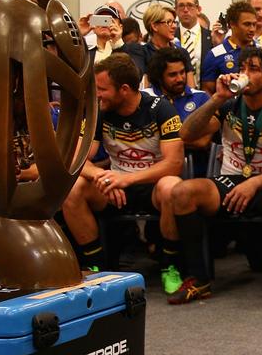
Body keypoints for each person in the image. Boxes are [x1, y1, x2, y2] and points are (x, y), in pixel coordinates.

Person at [167, 48, 262, 305]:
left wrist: (253, 184)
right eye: (243, 68)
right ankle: (199, 278)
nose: (245, 74)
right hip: (229, 181)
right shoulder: (229, 105)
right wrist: (216, 99)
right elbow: (186, 134)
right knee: (181, 192)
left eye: (253, 69)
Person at [63, 55, 184, 286]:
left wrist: (126, 179)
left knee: (171, 187)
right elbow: (75, 160)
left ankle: (170, 266)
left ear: (124, 89)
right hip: (113, 188)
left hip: (152, 185)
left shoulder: (161, 109)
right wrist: (102, 177)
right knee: (72, 189)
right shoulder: (98, 111)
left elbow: (174, 164)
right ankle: (96, 267)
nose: (96, 94)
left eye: (102, 89)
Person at [200, 0, 257, 93]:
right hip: (227, 106)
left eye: (254, 24)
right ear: (232, 24)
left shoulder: (261, 51)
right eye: (247, 24)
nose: (252, 29)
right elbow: (207, 91)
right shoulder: (215, 54)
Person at [145, 46, 210, 121]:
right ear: (159, 77)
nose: (179, 79)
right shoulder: (146, 99)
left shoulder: (201, 98)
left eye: (182, 72)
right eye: (173, 75)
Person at [175, 0, 213, 79]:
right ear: (175, 10)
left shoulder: (211, 37)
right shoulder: (170, 37)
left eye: (190, 5)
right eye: (181, 6)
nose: (185, 10)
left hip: (206, 90)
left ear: (198, 10)